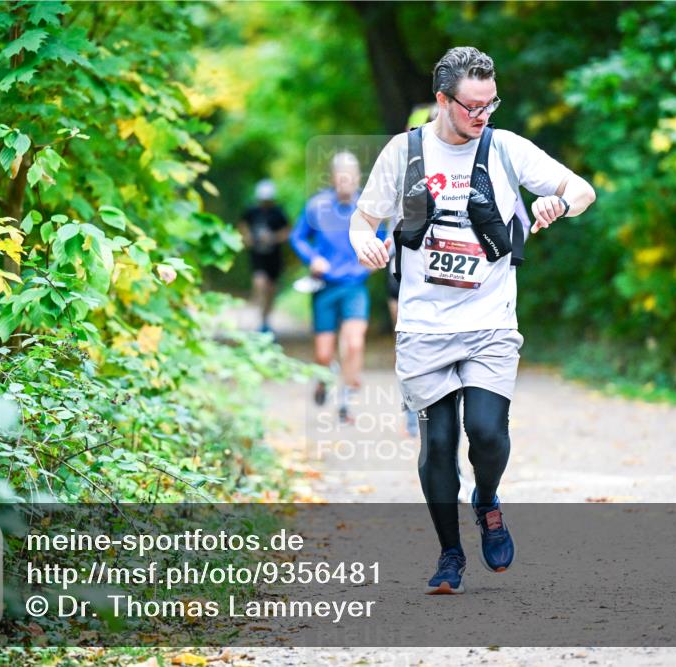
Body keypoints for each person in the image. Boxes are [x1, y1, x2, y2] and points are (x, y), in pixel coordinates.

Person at [350, 47, 595, 594]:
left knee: (485, 433)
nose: (483, 115)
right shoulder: (404, 151)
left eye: (491, 103)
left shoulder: (505, 148)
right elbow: (363, 219)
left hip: (489, 322)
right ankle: (449, 556)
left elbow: (581, 189)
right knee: (437, 446)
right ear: (443, 100)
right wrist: (365, 240)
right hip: (424, 326)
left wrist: (560, 206)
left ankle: (486, 498)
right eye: (472, 106)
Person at [291, 152, 386, 423]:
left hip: (355, 285)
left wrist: (375, 256)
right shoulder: (317, 206)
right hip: (325, 286)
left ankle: (345, 402)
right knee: (323, 353)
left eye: (352, 176)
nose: (347, 182)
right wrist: (313, 259)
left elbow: (383, 237)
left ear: (358, 178)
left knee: (355, 344)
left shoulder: (367, 206)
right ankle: (323, 381)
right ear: (333, 178)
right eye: (341, 176)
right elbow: (298, 238)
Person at [238, 180, 290, 334]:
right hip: (257, 256)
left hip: (274, 257)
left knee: (271, 289)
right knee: (259, 282)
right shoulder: (252, 211)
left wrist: (274, 238)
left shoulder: (278, 212)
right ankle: (256, 315)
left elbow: (287, 231)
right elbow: (242, 225)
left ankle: (265, 320)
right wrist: (247, 237)